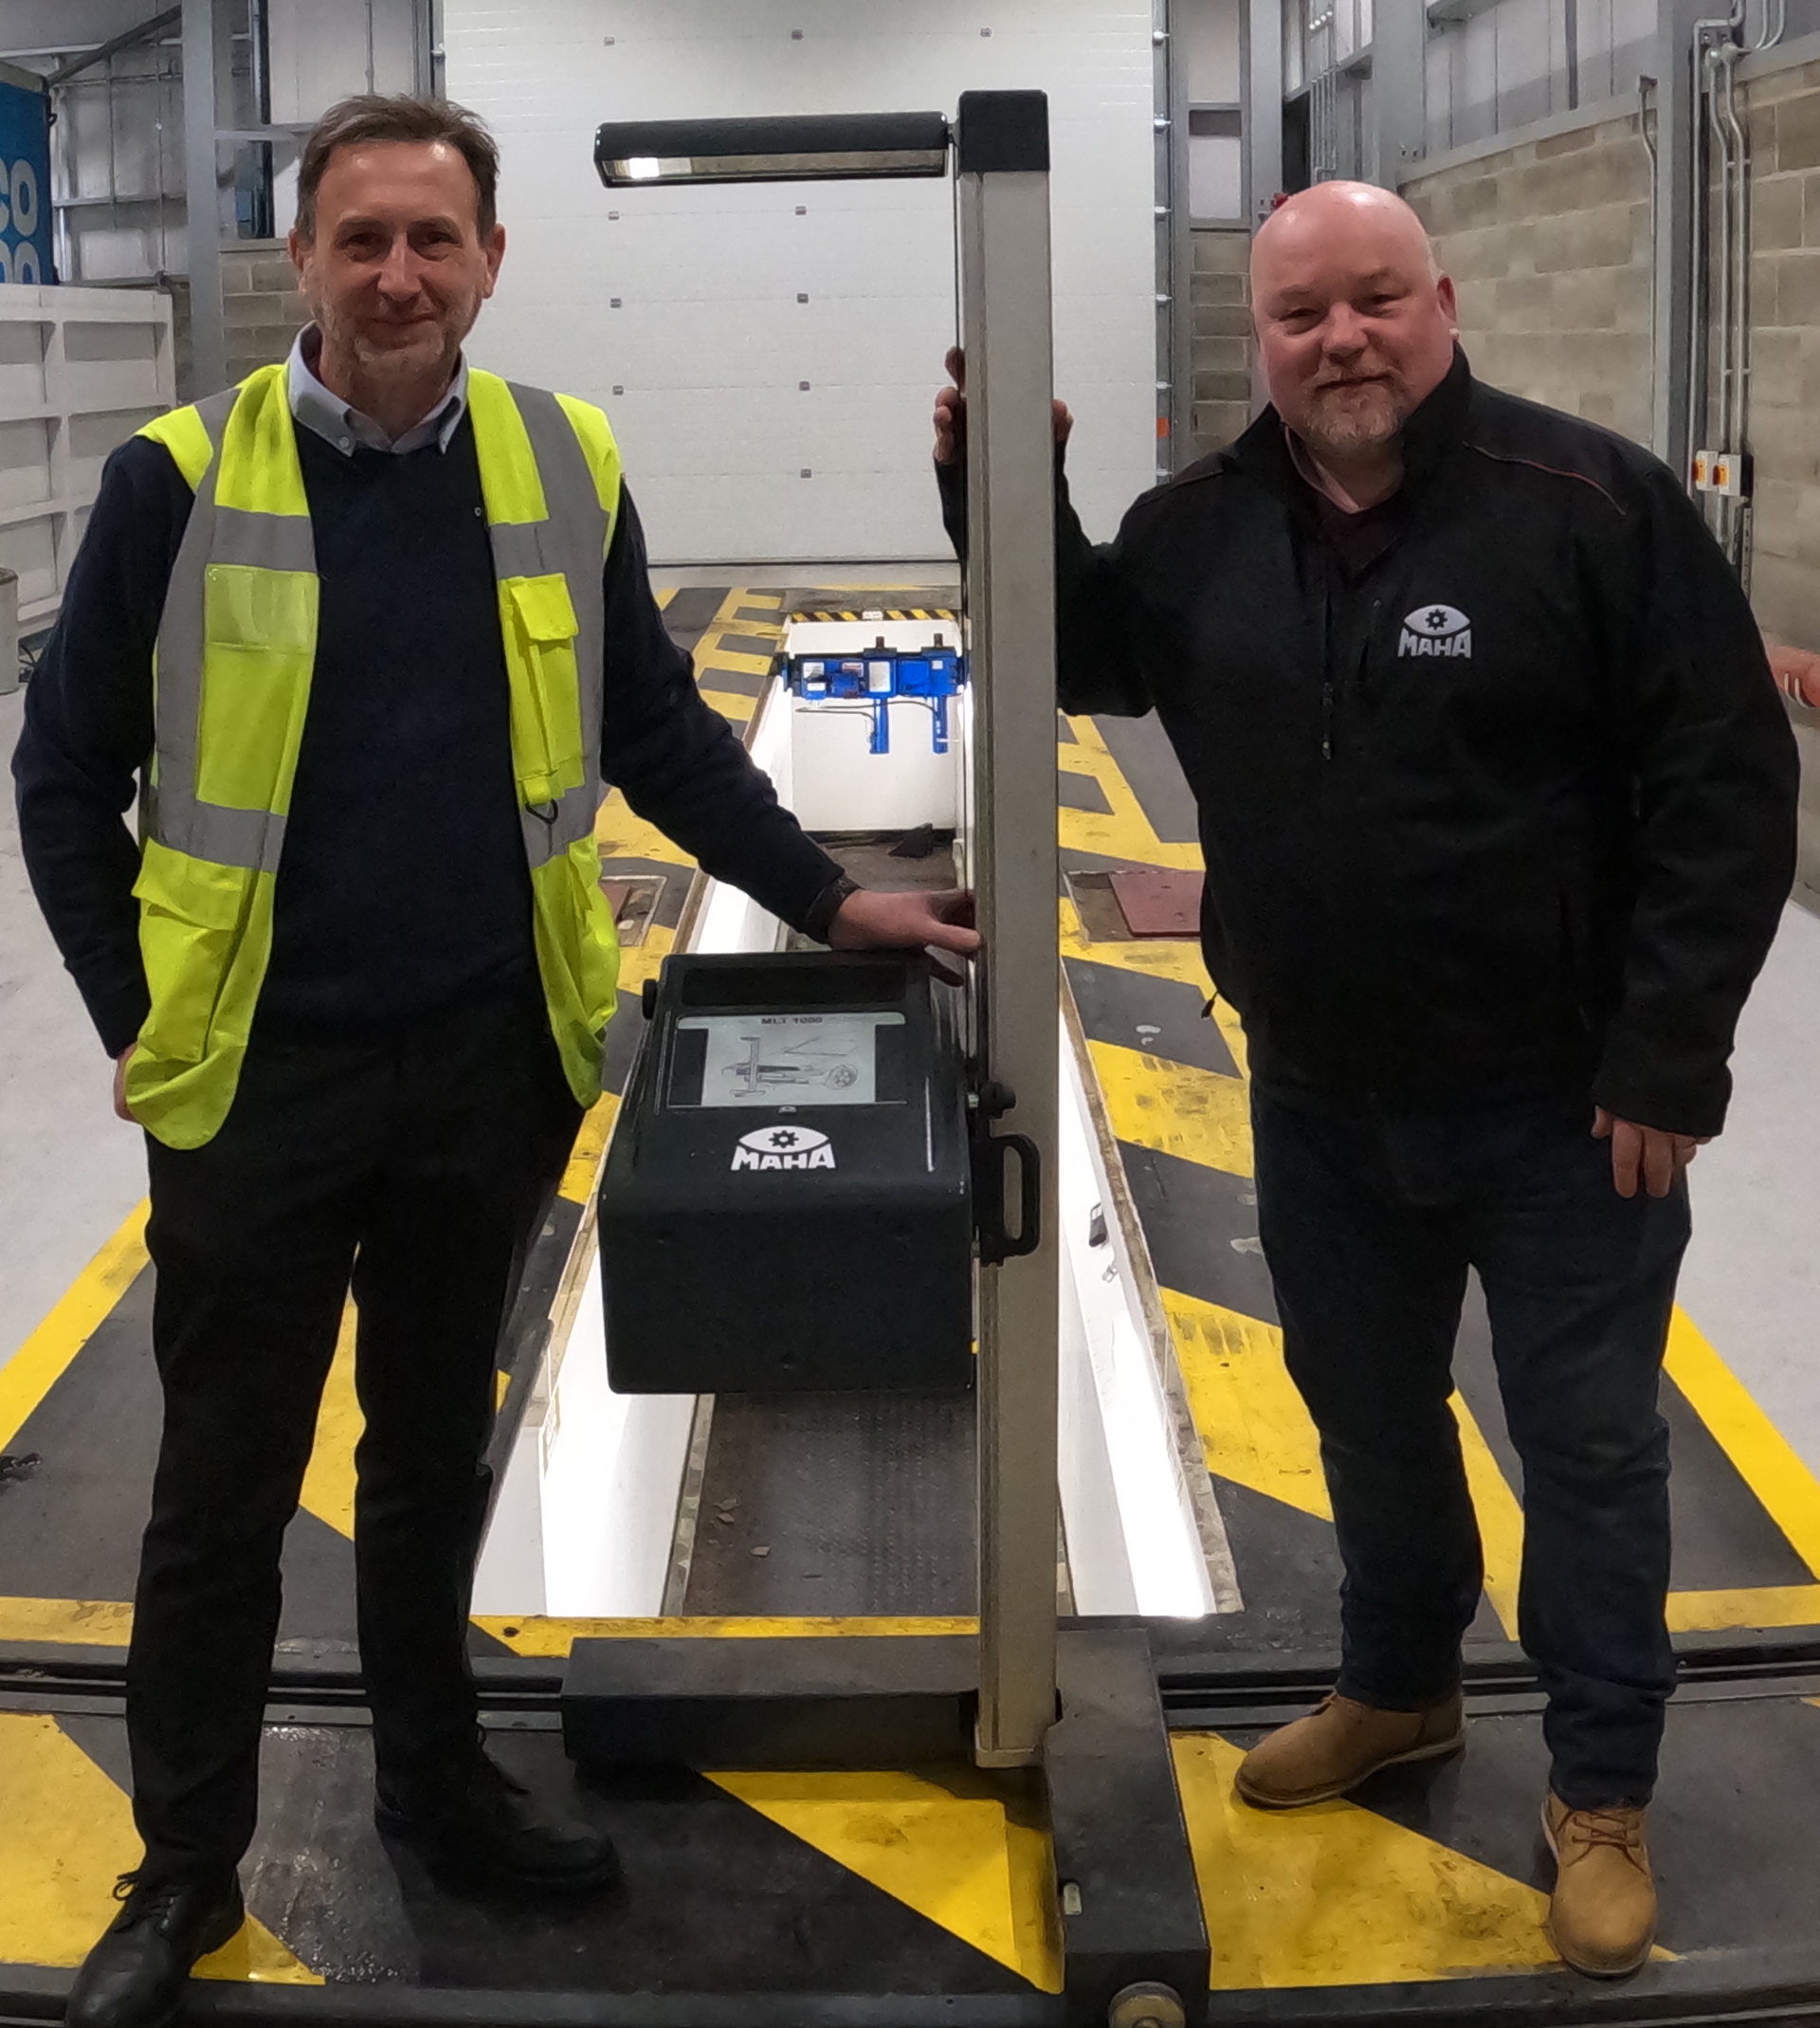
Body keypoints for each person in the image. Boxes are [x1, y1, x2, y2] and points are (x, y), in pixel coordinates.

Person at [16, 92, 975, 2028]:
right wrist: (138, 1016)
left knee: (431, 1451)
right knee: (221, 1484)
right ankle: (185, 1861)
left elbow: (654, 728)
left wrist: (825, 895)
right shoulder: (175, 480)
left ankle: (435, 1781)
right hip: (259, 1079)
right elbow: (62, 778)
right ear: (302, 258)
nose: (398, 275)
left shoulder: (561, 458)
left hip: (486, 1061)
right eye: (361, 238)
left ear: (491, 260)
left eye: (433, 239)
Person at [936, 180, 1797, 1979]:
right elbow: (1087, 655)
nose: (1343, 340)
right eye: (1303, 313)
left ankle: (1601, 1784)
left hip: (1568, 1106)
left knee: (1584, 1442)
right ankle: (1402, 1683)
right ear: (1259, 337)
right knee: (1366, 1407)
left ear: (1443, 302)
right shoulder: (1197, 528)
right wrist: (998, 489)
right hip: (1321, 1088)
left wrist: (1668, 1053)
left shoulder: (1589, 504)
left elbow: (1723, 784)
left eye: (1377, 299)